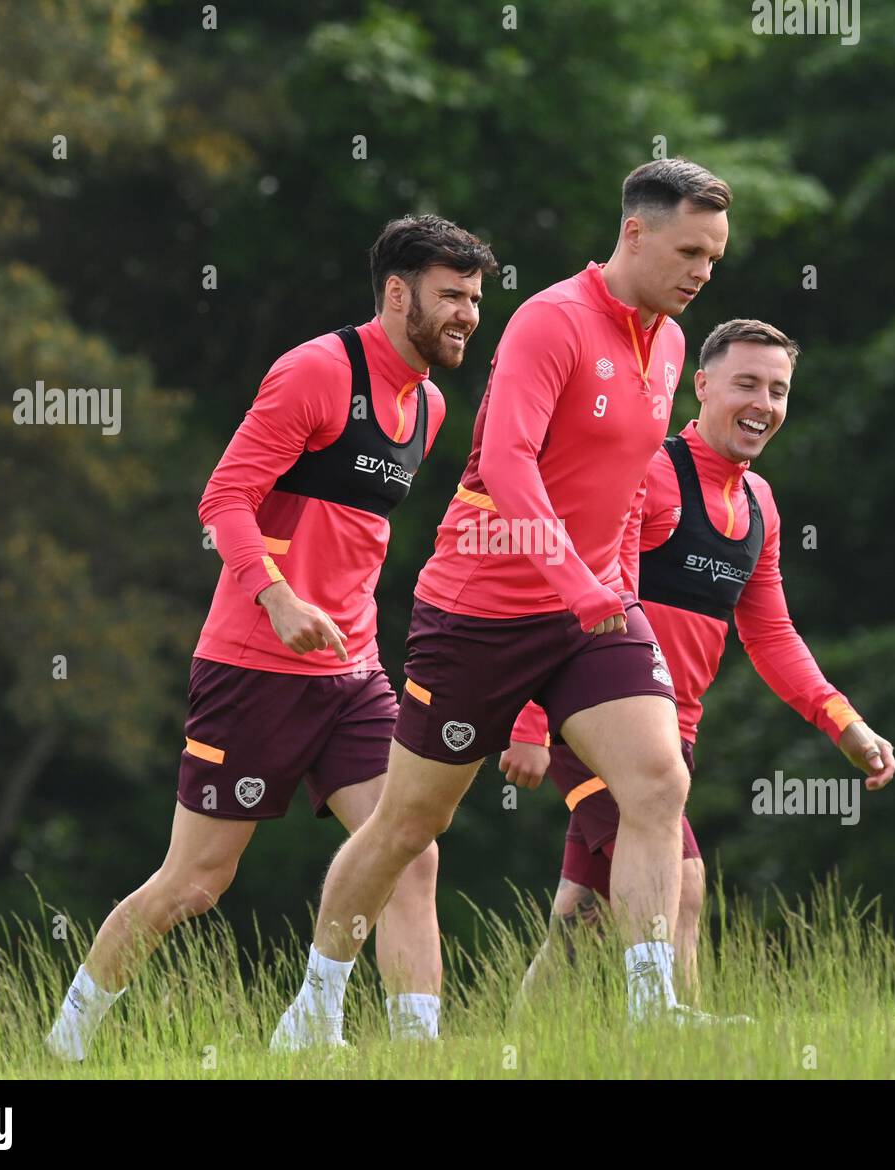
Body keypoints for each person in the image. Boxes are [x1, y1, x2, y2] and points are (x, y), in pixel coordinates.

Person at [286, 159, 735, 1047]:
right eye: (690, 251)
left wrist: (607, 593)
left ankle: (653, 1010)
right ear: (635, 233)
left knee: (656, 783)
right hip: (480, 610)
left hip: (593, 610)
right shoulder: (550, 320)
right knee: (410, 824)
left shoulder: (676, 343)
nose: (702, 273)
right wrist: (573, 584)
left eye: (715, 259)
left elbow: (627, 492)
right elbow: (510, 463)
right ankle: (316, 1002)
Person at [45, 214, 498, 1060]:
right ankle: (65, 1044)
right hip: (252, 664)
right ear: (398, 293)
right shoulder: (317, 372)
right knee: (195, 883)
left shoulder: (430, 406)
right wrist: (279, 599)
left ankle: (416, 1054)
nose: (468, 314)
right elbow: (223, 500)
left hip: (353, 671)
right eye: (451, 297)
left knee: (411, 850)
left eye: (475, 298)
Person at [503, 319, 895, 1009]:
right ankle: (670, 1032)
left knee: (584, 916)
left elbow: (771, 634)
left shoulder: (760, 504)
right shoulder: (649, 472)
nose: (763, 404)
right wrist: (532, 719)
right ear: (703, 385)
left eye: (778, 390)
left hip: (672, 732)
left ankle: (510, 1050)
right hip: (594, 710)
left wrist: (844, 723)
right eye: (746, 384)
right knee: (682, 880)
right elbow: (563, 586)